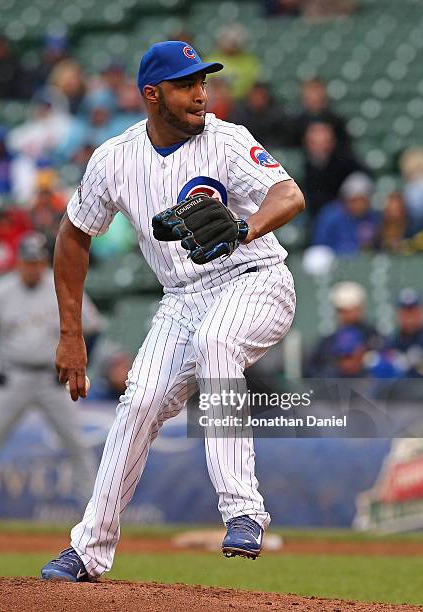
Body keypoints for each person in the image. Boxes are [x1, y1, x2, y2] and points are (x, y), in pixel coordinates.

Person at [41, 40, 304, 581]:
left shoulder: (227, 140)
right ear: (152, 94)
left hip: (255, 281)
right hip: (182, 299)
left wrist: (241, 228)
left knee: (217, 341)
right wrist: (72, 333)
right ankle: (88, 552)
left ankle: (243, 511)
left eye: (203, 83)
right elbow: (72, 237)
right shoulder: (114, 158)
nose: (200, 94)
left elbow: (289, 195)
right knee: (138, 403)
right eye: (187, 85)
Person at [0, 233, 102, 519]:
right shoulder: (0, 292)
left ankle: (95, 515)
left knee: (76, 445)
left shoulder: (61, 288)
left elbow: (92, 328)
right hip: (14, 378)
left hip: (53, 380)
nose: (31, 267)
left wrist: (80, 366)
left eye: (36, 261)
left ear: (45, 262)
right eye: (26, 261)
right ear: (18, 261)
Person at [307, 281, 382, 377]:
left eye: (349, 310)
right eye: (341, 311)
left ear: (360, 308)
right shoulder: (328, 342)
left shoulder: (374, 338)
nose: (345, 315)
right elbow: (312, 370)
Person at [313, 172, 381, 255]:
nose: (359, 205)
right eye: (355, 200)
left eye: (363, 200)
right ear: (346, 199)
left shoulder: (372, 217)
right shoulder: (330, 216)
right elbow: (319, 247)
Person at [386, 289, 423, 379]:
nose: (410, 318)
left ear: (422, 313)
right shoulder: (391, 343)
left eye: (413, 312)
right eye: (405, 313)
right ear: (398, 315)